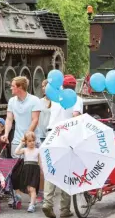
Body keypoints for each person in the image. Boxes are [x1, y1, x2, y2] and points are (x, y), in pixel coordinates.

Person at [42, 74, 83, 218]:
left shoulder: (55, 98)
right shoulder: (77, 99)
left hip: (51, 135)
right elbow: (76, 116)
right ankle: (65, 210)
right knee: (68, 172)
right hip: (67, 136)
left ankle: (47, 203)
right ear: (74, 87)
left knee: (51, 169)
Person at [1, 76, 43, 158]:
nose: (10, 88)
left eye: (13, 86)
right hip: (17, 141)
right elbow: (9, 119)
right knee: (17, 168)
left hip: (32, 141)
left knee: (32, 167)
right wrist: (6, 134)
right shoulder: (11, 101)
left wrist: (26, 137)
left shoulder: (34, 100)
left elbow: (35, 120)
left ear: (20, 87)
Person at [14, 132, 41, 213]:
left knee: (32, 188)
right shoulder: (25, 150)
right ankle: (34, 201)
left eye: (33, 140)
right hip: (26, 171)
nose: (31, 142)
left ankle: (31, 205)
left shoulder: (38, 150)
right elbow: (16, 152)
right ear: (26, 142)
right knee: (29, 189)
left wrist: (42, 170)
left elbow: (40, 162)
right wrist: (21, 144)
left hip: (35, 170)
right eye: (29, 141)